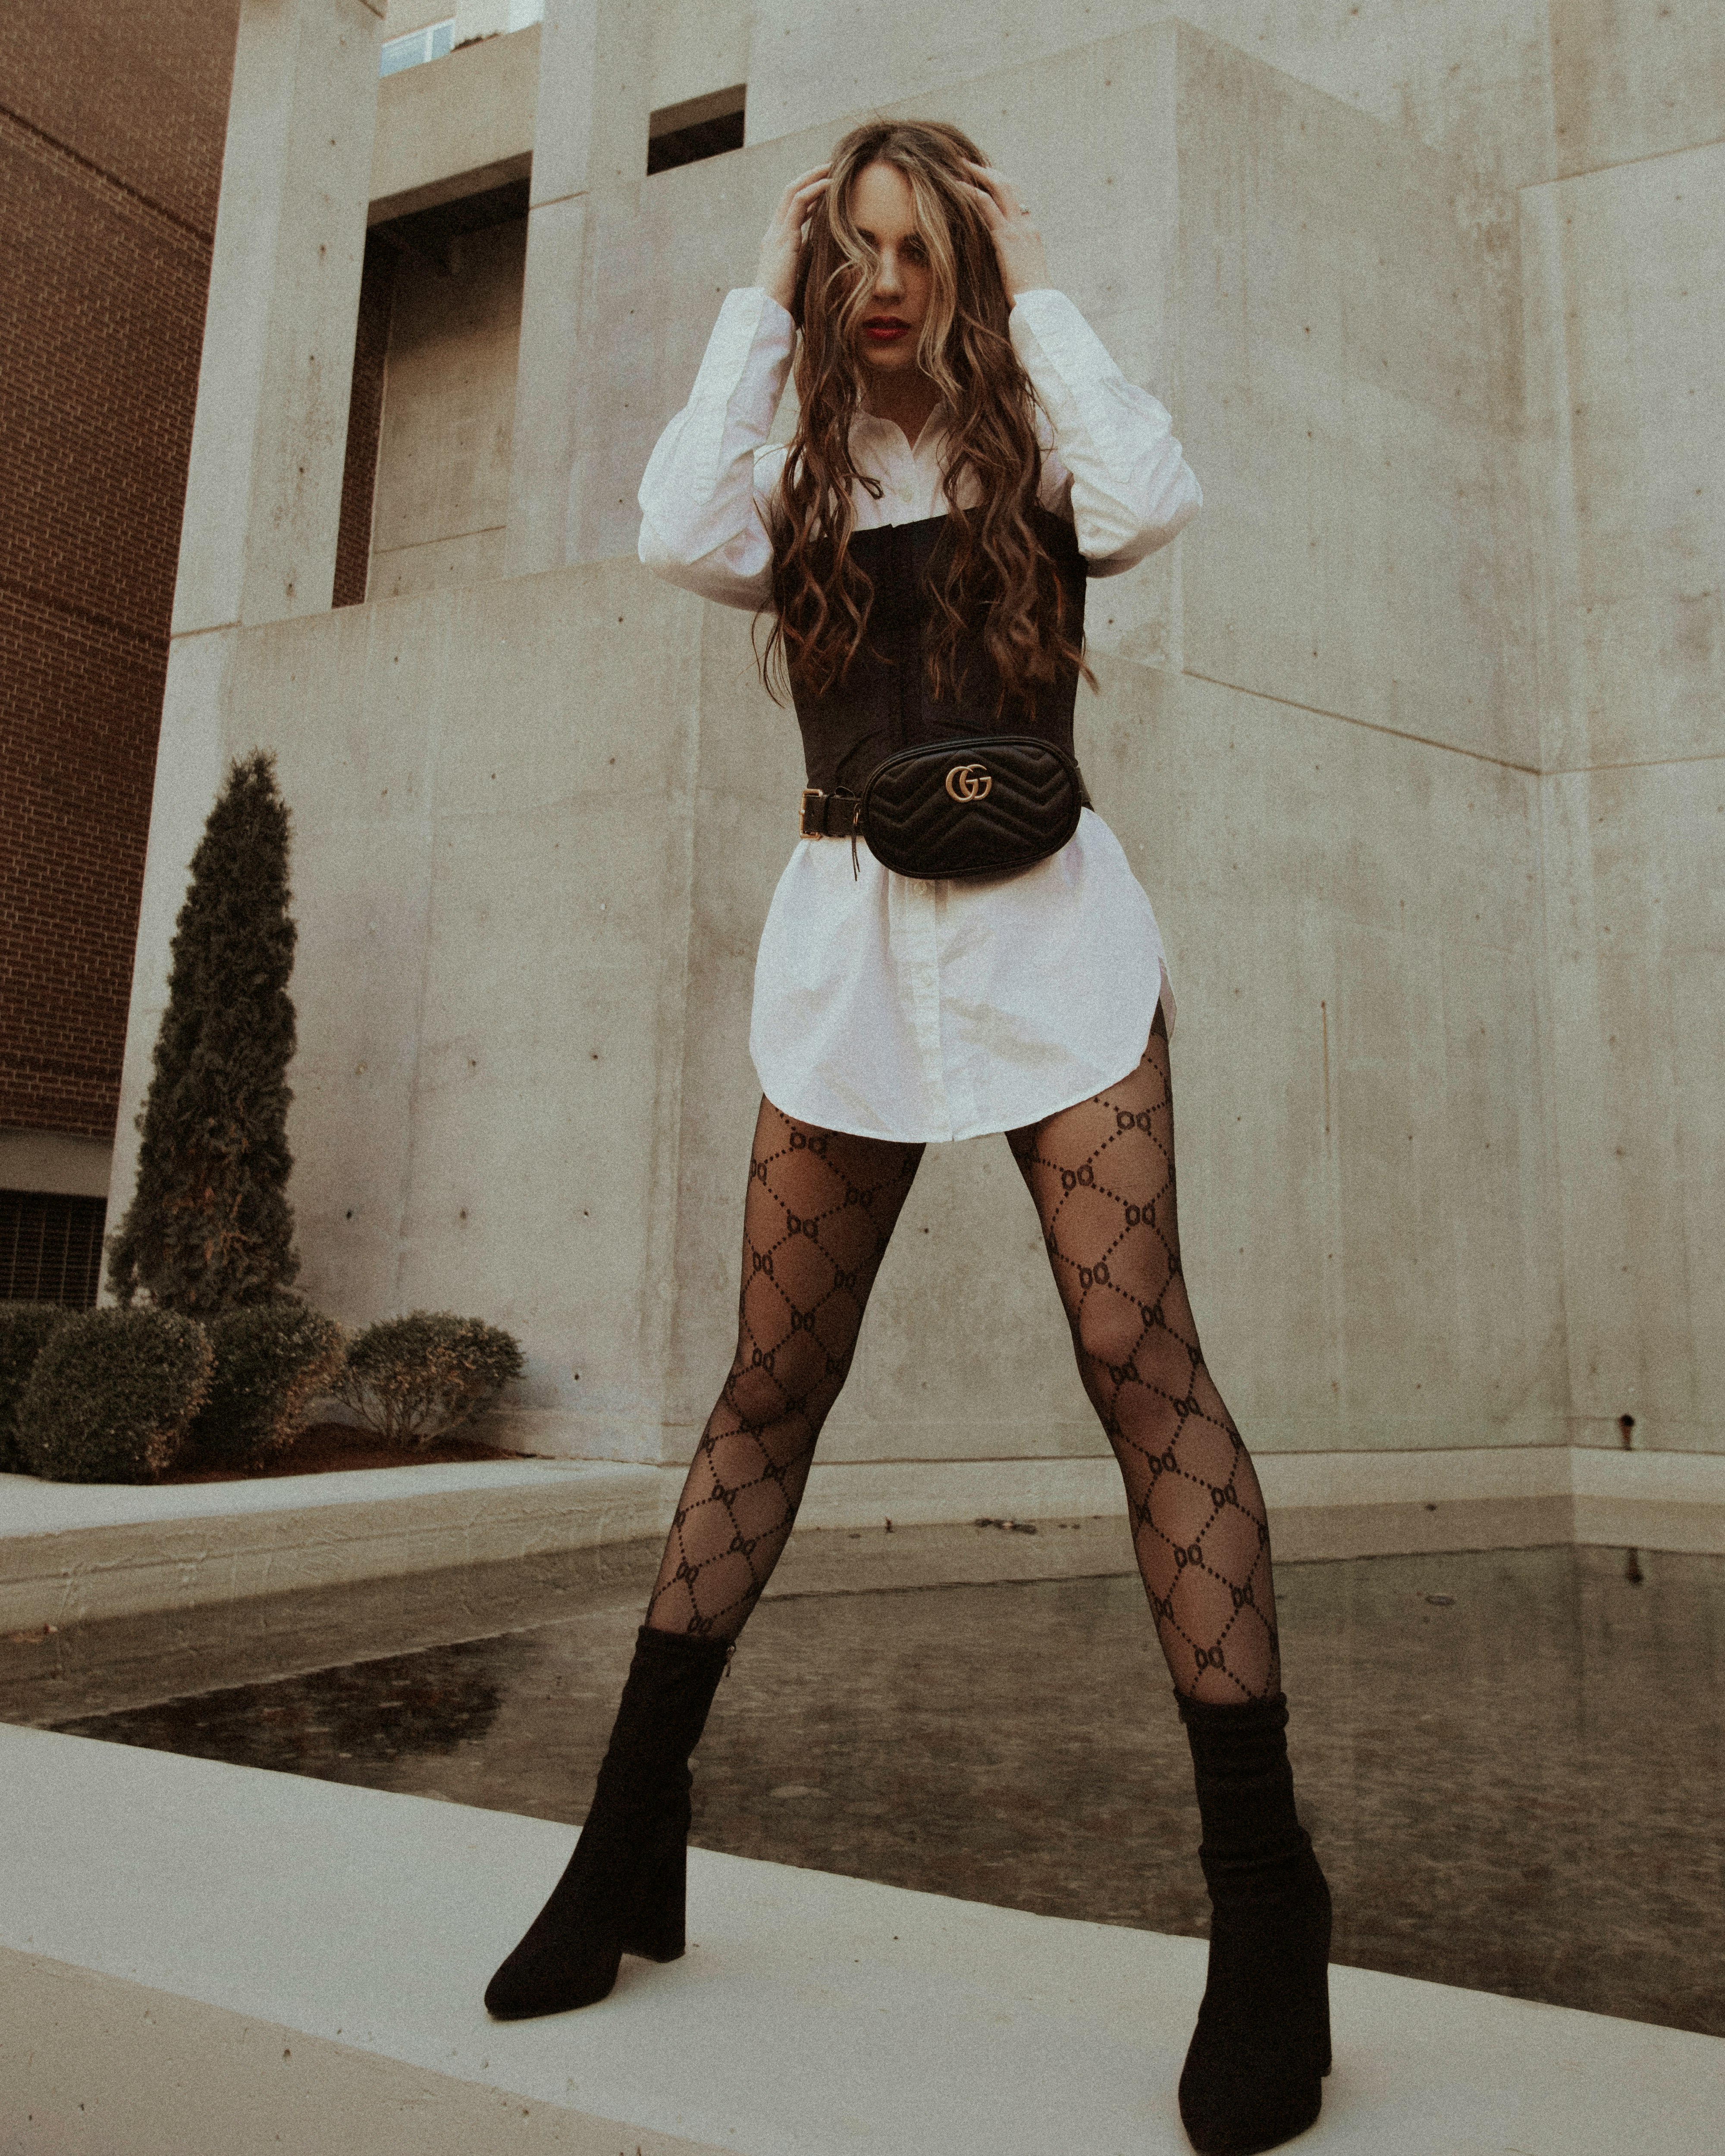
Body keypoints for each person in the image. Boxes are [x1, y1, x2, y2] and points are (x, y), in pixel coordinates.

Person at [485, 119, 1331, 2156]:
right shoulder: (785, 462)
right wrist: (740, 296)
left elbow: (1158, 491)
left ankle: (1264, 1914)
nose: (882, 282)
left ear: (952, 260)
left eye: (910, 249)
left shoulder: (1030, 432)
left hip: (1051, 944)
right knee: (770, 1386)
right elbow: (667, 525)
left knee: (1146, 1370)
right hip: (852, 953)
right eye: (850, 251)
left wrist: (1027, 281)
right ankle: (625, 1841)